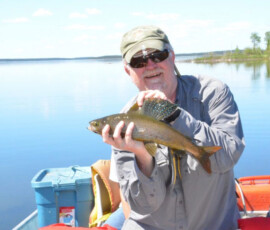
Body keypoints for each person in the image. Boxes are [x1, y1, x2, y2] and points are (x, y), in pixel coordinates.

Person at [101, 25, 245, 230]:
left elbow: (228, 155)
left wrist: (174, 115)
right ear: (128, 70)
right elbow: (142, 205)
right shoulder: (122, 125)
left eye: (158, 55)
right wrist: (142, 155)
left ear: (172, 57)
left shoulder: (212, 93)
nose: (150, 65)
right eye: (139, 61)